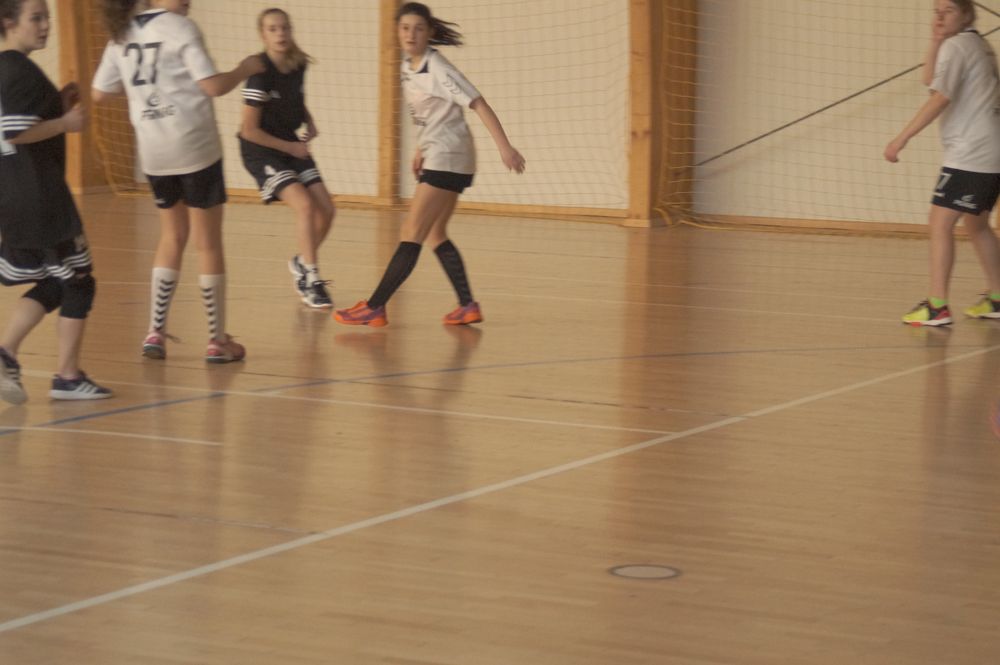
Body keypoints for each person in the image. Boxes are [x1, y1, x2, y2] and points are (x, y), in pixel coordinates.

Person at [334, 1, 525, 328]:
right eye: (405, 28)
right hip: (446, 155)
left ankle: (375, 307)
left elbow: (478, 103)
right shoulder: (408, 67)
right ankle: (467, 306)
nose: (411, 34)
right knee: (435, 233)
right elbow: (431, 114)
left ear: (429, 32)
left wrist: (504, 147)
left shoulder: (437, 67)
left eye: (419, 28)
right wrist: (421, 148)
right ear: (397, 32)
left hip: (448, 156)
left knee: (411, 232)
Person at [92, 0, 263, 361]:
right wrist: (244, 69)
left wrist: (145, 90)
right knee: (207, 243)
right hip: (194, 146)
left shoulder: (121, 34)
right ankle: (217, 340)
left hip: (154, 153)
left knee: (172, 236)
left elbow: (99, 92)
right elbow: (212, 86)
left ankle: (155, 333)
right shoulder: (179, 27)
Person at [0, 0, 112, 402]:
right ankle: (65, 376)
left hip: (16, 194)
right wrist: (65, 122)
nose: (45, 25)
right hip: (40, 198)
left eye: (47, 17)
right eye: (36, 18)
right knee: (79, 281)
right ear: (8, 22)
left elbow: (22, 123)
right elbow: (13, 131)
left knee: (56, 280)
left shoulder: (9, 69)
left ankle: (7, 354)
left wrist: (55, 105)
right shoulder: (18, 70)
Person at [885, 0, 1000, 326]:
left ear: (966, 14)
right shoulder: (975, 43)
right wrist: (935, 40)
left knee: (939, 223)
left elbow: (940, 97)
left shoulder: (958, 46)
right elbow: (930, 80)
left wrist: (901, 138)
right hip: (990, 151)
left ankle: (937, 306)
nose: (939, 16)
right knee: (977, 225)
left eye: (948, 10)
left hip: (972, 154)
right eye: (936, 10)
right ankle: (998, 297)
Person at [239, 7, 336, 309]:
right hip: (261, 149)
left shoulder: (298, 64)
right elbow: (249, 130)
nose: (280, 33)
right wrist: (291, 148)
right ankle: (312, 280)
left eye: (284, 28)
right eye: (273, 29)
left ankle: (301, 262)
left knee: (327, 210)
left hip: (290, 143)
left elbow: (295, 100)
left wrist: (310, 120)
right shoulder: (259, 74)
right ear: (263, 35)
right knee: (305, 206)